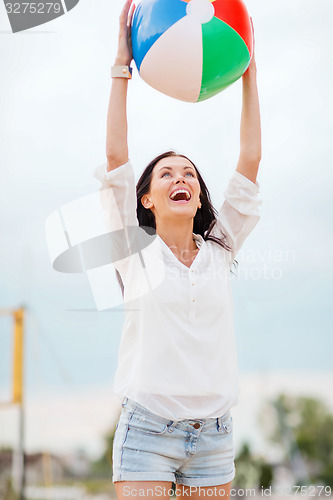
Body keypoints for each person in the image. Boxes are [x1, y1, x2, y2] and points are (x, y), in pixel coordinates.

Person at [94, 1, 262, 498]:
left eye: (188, 172)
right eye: (166, 173)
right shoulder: (134, 250)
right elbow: (115, 156)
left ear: (199, 195)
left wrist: (249, 72)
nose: (180, 177)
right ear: (146, 198)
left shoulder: (221, 247)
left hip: (214, 437)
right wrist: (121, 64)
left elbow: (250, 159)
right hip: (148, 431)